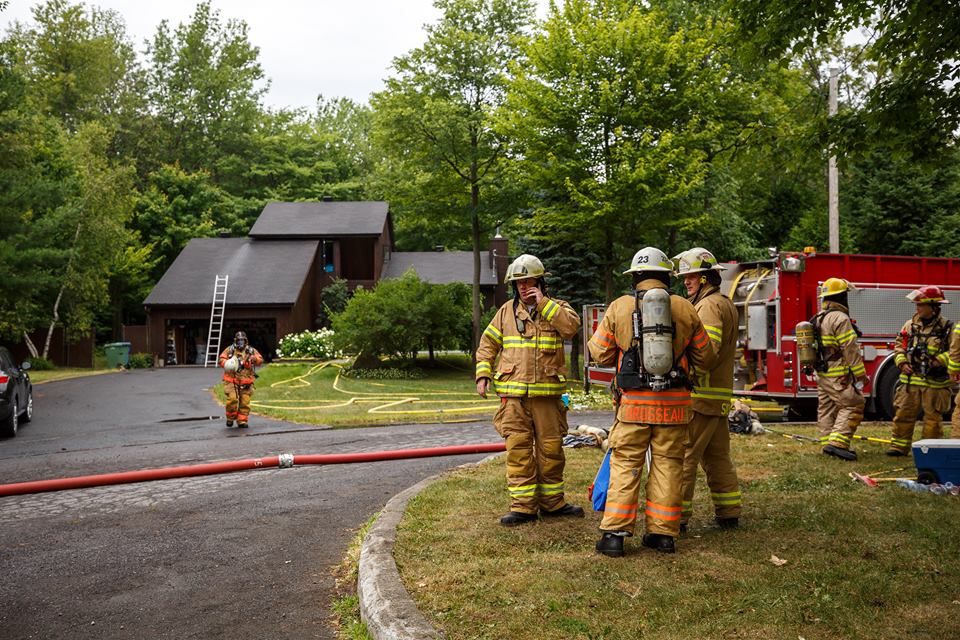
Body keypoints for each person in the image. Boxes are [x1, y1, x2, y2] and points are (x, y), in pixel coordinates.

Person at [588, 247, 715, 556]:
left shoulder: (620, 307)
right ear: (667, 278)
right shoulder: (685, 308)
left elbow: (599, 353)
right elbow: (706, 358)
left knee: (626, 464)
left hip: (633, 407)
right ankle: (662, 535)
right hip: (674, 408)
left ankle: (614, 536)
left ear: (636, 278)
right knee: (668, 466)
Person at [475, 254, 584, 526]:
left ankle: (553, 504)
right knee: (518, 450)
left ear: (540, 281)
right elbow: (487, 344)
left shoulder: (557, 308)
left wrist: (544, 304)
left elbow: (571, 328)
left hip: (546, 397)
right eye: (518, 282)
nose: (523, 287)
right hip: (513, 399)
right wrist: (483, 374)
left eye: (528, 281)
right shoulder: (505, 313)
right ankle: (522, 507)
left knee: (551, 451)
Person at [673, 248, 741, 532]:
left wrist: (682, 371)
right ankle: (729, 511)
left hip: (701, 397)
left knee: (685, 457)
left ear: (705, 278)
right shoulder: (725, 302)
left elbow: (707, 352)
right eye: (685, 276)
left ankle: (677, 519)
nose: (686, 281)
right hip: (718, 397)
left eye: (691, 276)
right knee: (716, 457)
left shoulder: (708, 306)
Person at [886, 286, 954, 455]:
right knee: (903, 415)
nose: (917, 308)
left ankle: (930, 451)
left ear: (933, 306)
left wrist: (940, 359)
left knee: (932, 420)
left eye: (921, 305)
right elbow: (899, 346)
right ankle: (899, 447)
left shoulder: (948, 327)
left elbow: (956, 350)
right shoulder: (910, 325)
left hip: (935, 383)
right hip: (910, 381)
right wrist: (902, 363)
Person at [813, 278, 866, 460]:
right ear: (842, 296)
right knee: (854, 404)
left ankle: (827, 443)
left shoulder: (819, 317)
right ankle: (838, 444)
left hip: (822, 373)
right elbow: (850, 348)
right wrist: (860, 374)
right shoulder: (840, 318)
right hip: (838, 373)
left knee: (826, 408)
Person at [218, 331, 263, 428]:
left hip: (246, 382)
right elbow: (221, 359)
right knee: (232, 400)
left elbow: (260, 360)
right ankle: (230, 418)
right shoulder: (230, 350)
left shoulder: (251, 351)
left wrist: (254, 359)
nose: (240, 342)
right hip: (231, 381)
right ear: (235, 340)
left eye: (242, 340)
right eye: (239, 340)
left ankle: (242, 421)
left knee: (245, 402)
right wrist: (228, 363)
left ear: (246, 340)